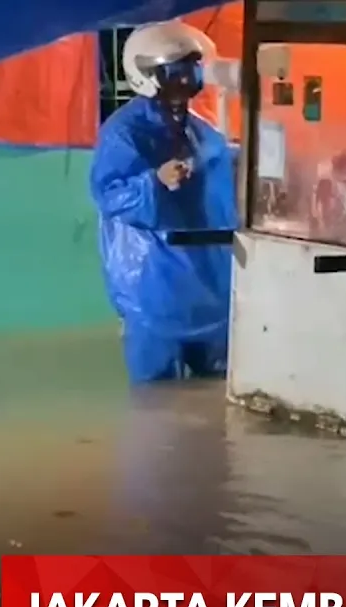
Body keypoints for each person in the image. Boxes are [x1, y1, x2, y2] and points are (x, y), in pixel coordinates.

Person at [90, 21, 238, 385]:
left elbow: (226, 173)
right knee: (155, 402)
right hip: (152, 283)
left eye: (190, 72)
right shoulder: (124, 133)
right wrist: (153, 181)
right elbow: (110, 194)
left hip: (208, 283)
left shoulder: (199, 130)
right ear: (148, 75)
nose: (185, 83)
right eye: (175, 73)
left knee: (217, 390)